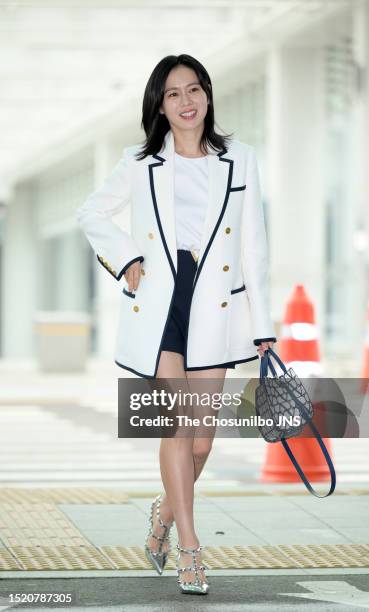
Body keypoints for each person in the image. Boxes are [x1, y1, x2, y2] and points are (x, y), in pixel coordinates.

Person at [77, 53, 276, 595]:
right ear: (160, 107)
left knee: (203, 442)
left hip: (216, 306)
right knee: (180, 426)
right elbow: (92, 212)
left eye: (194, 90)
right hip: (162, 303)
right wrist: (125, 258)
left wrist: (265, 327)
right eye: (173, 94)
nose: (186, 102)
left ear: (207, 95)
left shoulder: (241, 159)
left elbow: (254, 247)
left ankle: (163, 516)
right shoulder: (141, 164)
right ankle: (191, 550)